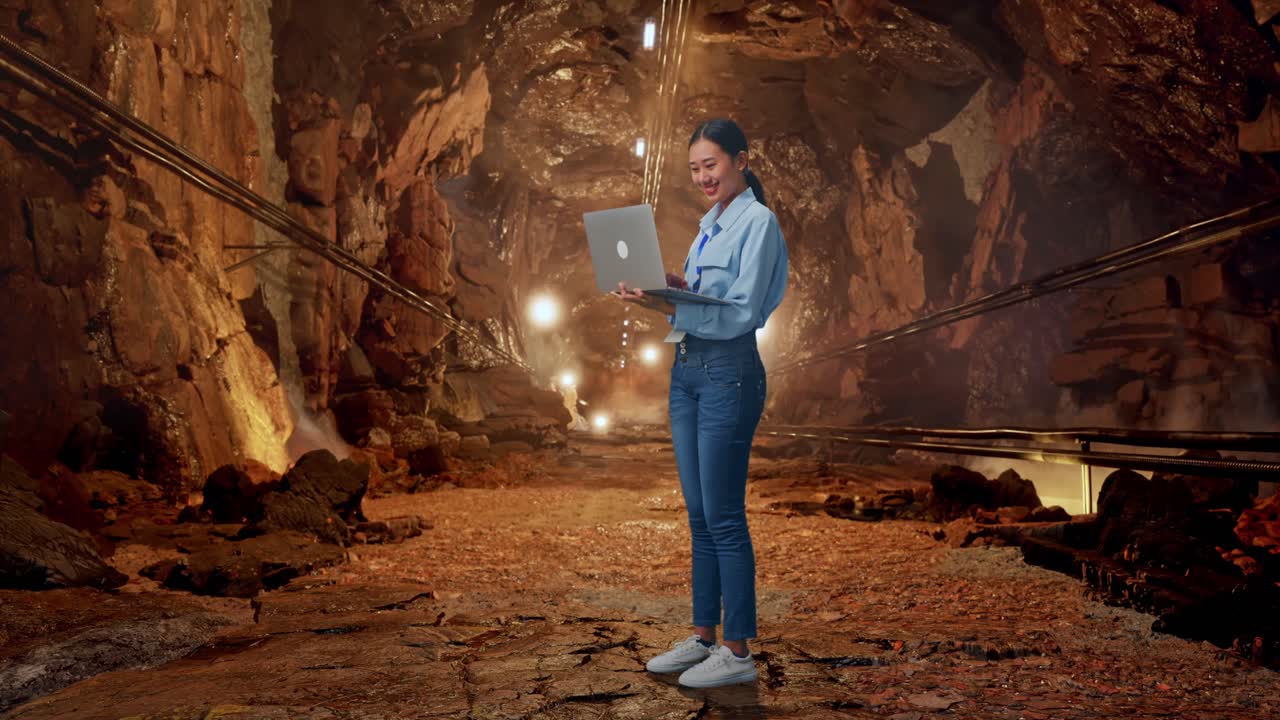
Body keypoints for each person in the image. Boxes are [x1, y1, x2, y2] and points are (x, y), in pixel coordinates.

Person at [615, 118, 788, 688]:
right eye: (694, 168)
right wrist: (665, 288)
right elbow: (703, 296)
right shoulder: (709, 225)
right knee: (698, 515)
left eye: (710, 164)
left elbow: (739, 312)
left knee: (724, 515)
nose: (703, 177)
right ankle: (703, 637)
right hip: (687, 370)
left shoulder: (758, 222)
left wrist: (671, 305)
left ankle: (737, 652)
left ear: (742, 159)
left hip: (727, 374)